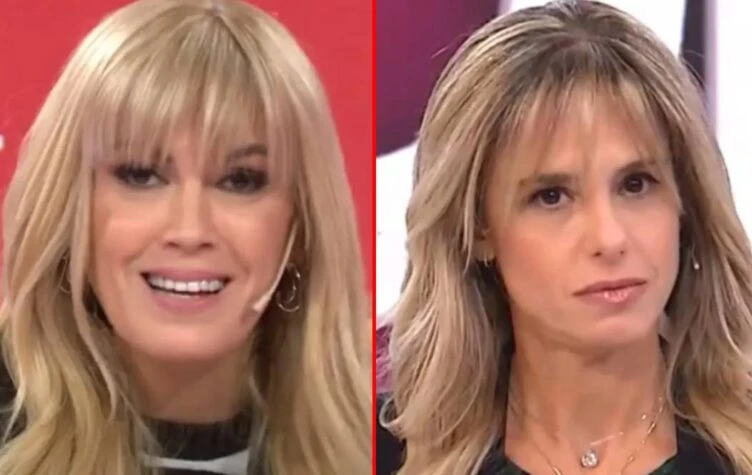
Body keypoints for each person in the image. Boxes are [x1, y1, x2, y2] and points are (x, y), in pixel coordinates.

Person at [377, 1, 751, 474]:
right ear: (478, 229)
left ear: (686, 205)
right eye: (551, 196)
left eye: (636, 184)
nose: (610, 238)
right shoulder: (379, 454)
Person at [0, 0, 371, 474]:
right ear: (69, 207)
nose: (190, 230)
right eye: (140, 174)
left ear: (300, 228)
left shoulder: (383, 442)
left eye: (240, 180)